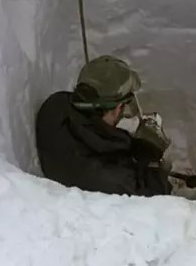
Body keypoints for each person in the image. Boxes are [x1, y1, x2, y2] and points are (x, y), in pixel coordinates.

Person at [35, 55, 172, 197]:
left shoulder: (55, 105)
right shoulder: (114, 179)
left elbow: (96, 135)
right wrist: (153, 164)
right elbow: (158, 198)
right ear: (118, 107)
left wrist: (130, 145)